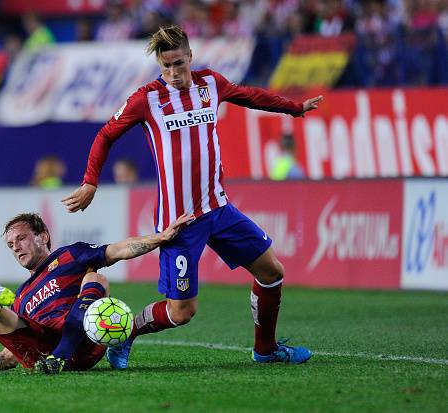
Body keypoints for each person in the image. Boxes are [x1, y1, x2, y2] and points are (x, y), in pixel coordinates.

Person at [62, 25, 323, 369]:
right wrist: (90, 182)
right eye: (166, 66)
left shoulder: (211, 84)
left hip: (219, 208)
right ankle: (127, 334)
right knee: (182, 312)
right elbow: (106, 134)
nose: (173, 73)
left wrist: (294, 108)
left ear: (190, 57)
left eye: (179, 64)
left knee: (272, 271)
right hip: (179, 222)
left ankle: (266, 349)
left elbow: (250, 96)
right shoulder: (146, 99)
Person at [0, 212, 193, 375]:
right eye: (11, 244)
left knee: (96, 277)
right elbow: (8, 355)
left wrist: (160, 238)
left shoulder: (70, 255)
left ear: (43, 236)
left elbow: (119, 249)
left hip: (83, 342)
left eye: (21, 238)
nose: (16, 247)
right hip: (43, 350)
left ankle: (61, 353)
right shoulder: (24, 293)